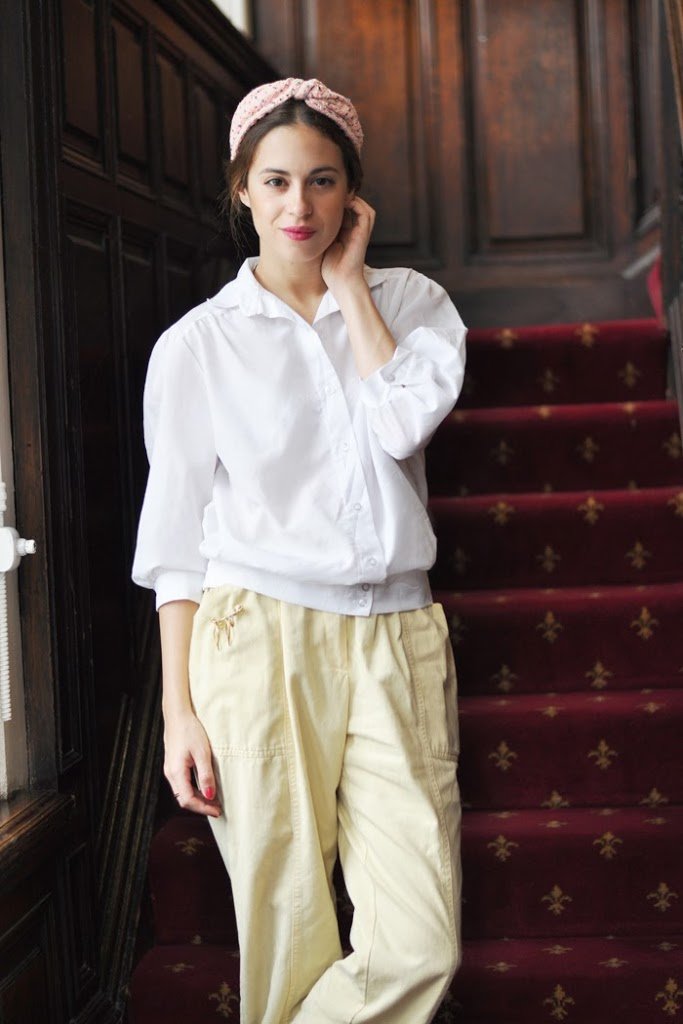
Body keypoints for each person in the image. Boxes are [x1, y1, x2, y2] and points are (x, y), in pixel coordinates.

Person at [132, 77, 466, 1024]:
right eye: (276, 181)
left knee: (420, 946)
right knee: (286, 939)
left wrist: (350, 287)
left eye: (322, 181)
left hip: (396, 632)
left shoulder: (413, 303)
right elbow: (174, 544)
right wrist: (178, 711)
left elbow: (402, 424)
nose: (299, 207)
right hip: (255, 639)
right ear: (241, 188)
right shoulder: (197, 346)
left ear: (352, 193)